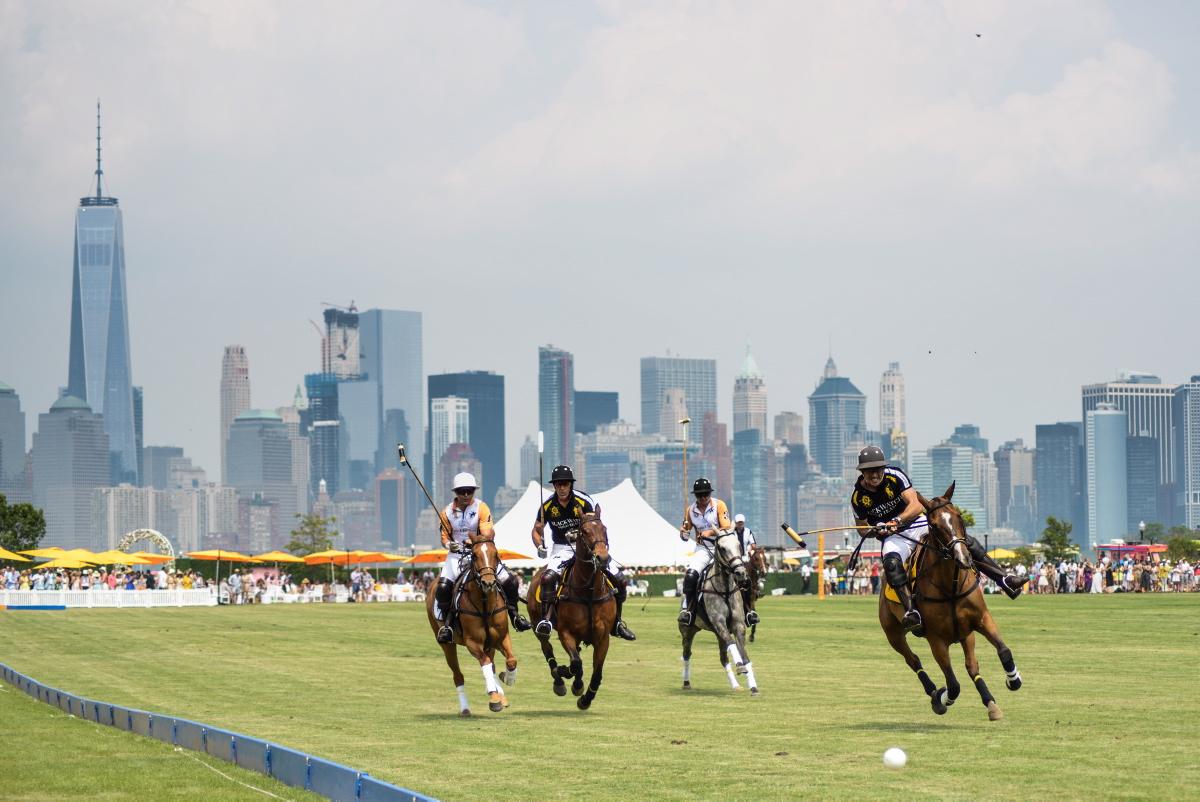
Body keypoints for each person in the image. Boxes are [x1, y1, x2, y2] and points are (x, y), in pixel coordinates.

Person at [850, 445, 1028, 633]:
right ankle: (911, 611)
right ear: (862, 472)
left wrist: (897, 520)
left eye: (878, 469)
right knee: (892, 564)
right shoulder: (858, 498)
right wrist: (876, 530)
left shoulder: (895, 476)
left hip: (915, 524)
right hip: (895, 537)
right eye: (870, 471)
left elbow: (917, 505)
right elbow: (862, 529)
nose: (875, 474)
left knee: (960, 540)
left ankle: (1004, 579)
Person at [531, 465, 636, 641]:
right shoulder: (547, 506)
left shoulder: (583, 500)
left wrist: (597, 545)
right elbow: (536, 530)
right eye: (558, 484)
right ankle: (547, 620)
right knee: (548, 578)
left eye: (565, 484)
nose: (562, 487)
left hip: (588, 546)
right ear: (554, 486)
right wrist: (539, 545)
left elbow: (595, 525)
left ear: (570, 484)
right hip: (562, 547)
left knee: (621, 580)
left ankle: (617, 622)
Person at [433, 472, 531, 644]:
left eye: (469, 491)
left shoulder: (481, 508)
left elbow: (486, 533)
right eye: (462, 491)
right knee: (443, 587)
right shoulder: (446, 512)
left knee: (510, 581)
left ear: (473, 491)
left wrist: (473, 543)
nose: (465, 495)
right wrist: (450, 545)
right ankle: (447, 626)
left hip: (480, 554)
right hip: (456, 555)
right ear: (456, 492)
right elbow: (444, 537)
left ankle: (515, 616)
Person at [677, 477, 733, 625]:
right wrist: (683, 533)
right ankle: (687, 609)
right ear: (695, 495)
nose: (703, 498)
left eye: (706, 494)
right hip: (702, 549)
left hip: (720, 548)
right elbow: (685, 532)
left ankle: (748, 611)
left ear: (710, 493)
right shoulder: (690, 510)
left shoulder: (719, 505)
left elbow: (726, 527)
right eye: (699, 495)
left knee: (739, 572)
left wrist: (709, 532)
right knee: (690, 575)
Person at [732, 513, 762, 625]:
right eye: (738, 522)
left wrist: (754, 548)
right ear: (735, 523)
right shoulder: (731, 532)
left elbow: (753, 543)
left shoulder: (748, 531)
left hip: (744, 557)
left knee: (754, 570)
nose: (740, 524)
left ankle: (755, 589)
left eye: (741, 522)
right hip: (734, 558)